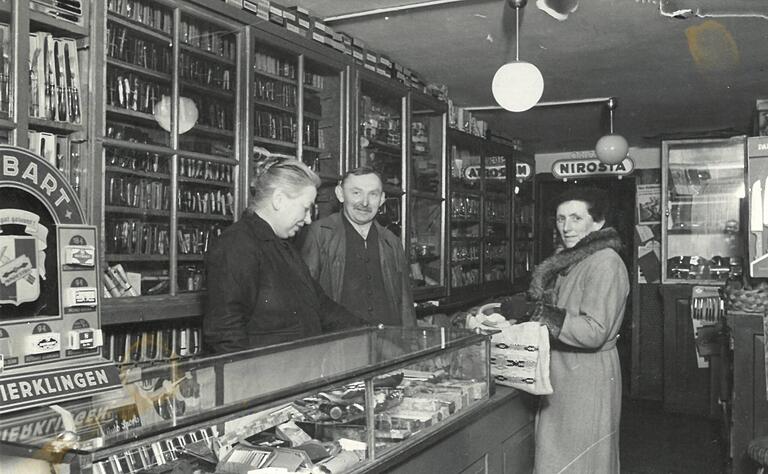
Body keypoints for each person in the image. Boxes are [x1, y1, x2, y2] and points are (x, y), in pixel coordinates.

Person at [203, 157, 365, 353]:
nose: (307, 220)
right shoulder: (236, 245)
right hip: (265, 377)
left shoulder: (285, 247)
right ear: (279, 199)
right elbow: (225, 334)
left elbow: (322, 307)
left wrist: (371, 332)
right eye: (305, 208)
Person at [523, 187, 629, 473]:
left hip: (587, 374)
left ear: (598, 222)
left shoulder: (606, 262)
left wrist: (543, 315)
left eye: (575, 218)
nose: (566, 227)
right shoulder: (576, 259)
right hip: (565, 370)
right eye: (560, 219)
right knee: (560, 455)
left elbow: (594, 330)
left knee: (582, 458)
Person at [300, 167, 416, 327]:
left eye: (373, 194)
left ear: (382, 199)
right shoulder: (319, 234)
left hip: (389, 344)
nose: (365, 202)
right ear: (340, 194)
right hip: (339, 344)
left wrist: (410, 343)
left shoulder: (392, 241)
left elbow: (405, 305)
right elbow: (305, 300)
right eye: (356, 193)